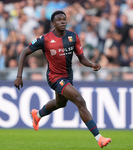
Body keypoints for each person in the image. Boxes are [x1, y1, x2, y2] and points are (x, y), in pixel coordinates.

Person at [14, 10, 111, 148]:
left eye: (64, 19)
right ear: (53, 23)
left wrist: (92, 64)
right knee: (79, 100)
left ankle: (38, 114)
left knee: (60, 103)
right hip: (54, 77)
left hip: (67, 77)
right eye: (59, 20)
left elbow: (82, 58)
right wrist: (19, 76)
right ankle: (99, 138)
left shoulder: (73, 37)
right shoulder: (45, 39)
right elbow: (24, 52)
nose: (62, 21)